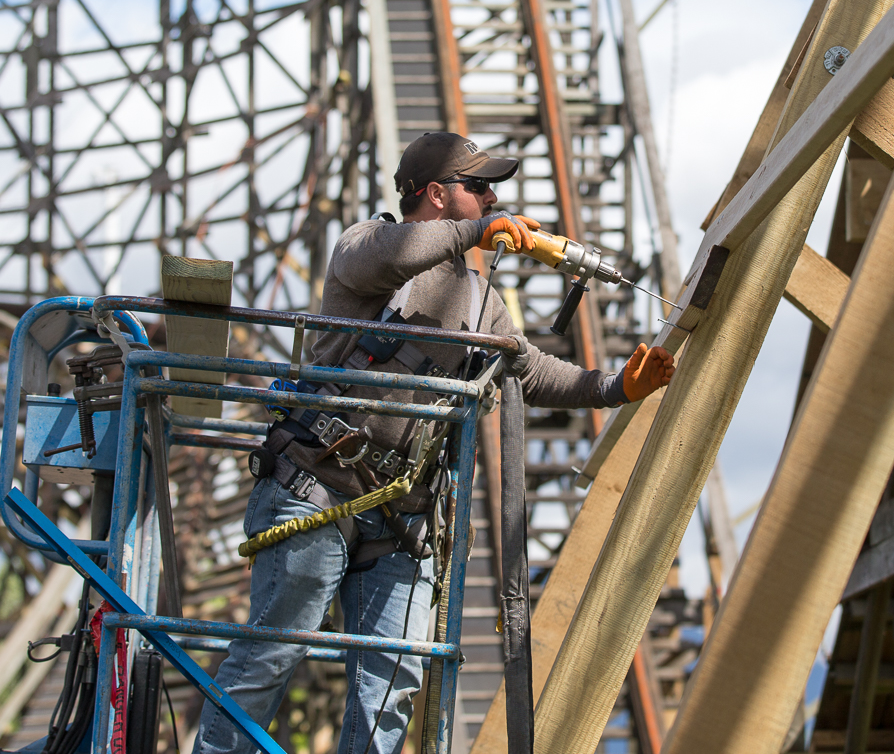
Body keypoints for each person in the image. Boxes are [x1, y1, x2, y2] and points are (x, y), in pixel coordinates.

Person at [192, 132, 675, 753]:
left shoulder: (478, 301)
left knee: (392, 683)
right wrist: (479, 233)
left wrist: (613, 386)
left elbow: (527, 370)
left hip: (401, 519)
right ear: (437, 195)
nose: (493, 198)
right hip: (317, 489)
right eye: (479, 187)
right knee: (275, 652)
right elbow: (396, 254)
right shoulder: (365, 248)